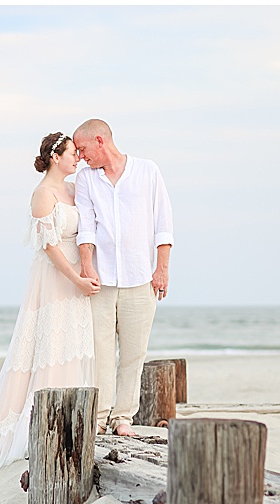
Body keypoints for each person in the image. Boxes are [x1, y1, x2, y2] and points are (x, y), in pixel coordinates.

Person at [0, 132, 100, 486]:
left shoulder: (75, 190)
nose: (78, 158)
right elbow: (51, 247)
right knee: (47, 348)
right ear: (56, 157)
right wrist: (76, 278)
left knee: (72, 346)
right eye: (73, 153)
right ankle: (36, 424)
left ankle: (70, 419)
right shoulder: (43, 195)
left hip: (78, 277)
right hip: (57, 279)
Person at [73, 119, 174, 437]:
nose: (79, 156)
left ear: (99, 141)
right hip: (101, 282)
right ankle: (100, 417)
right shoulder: (85, 179)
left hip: (140, 277)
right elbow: (86, 226)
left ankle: (123, 417)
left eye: (82, 148)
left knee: (133, 353)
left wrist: (162, 269)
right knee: (100, 353)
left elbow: (163, 224)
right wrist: (87, 265)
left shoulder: (147, 171)